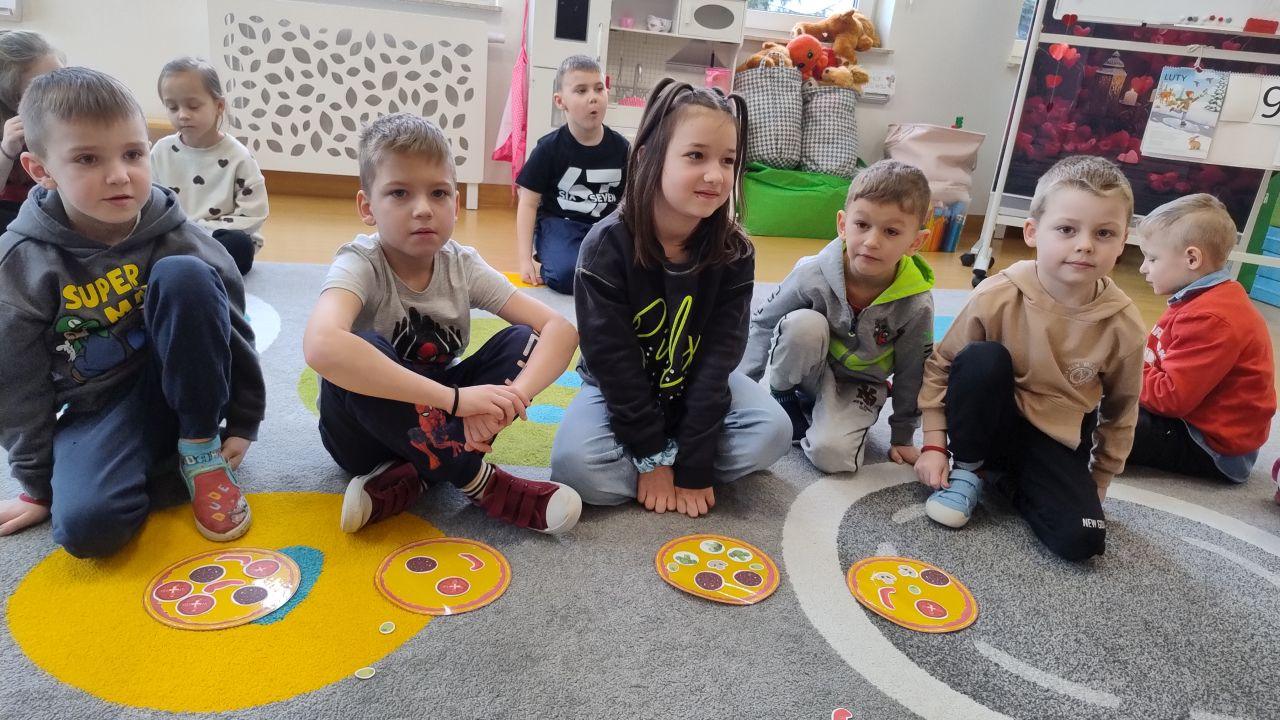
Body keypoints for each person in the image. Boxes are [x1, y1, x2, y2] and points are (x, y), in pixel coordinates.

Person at [0, 68, 265, 555]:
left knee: (185, 274)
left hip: (192, 387)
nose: (120, 175)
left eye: (133, 154)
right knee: (88, 530)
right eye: (87, 159)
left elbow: (233, 327)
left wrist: (243, 421)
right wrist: (38, 483)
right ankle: (157, 458)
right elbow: (16, 384)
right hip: (96, 409)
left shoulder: (179, 234)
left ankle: (197, 449)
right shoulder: (20, 263)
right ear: (41, 170)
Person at [303, 113, 582, 535]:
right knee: (360, 347)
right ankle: (481, 482)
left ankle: (415, 477)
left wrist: (511, 399)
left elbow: (561, 330)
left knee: (524, 338)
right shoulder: (360, 262)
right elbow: (321, 344)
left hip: (440, 420)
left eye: (438, 193)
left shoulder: (461, 265)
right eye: (399, 193)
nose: (423, 209)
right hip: (362, 436)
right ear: (367, 207)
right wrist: (454, 401)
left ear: (455, 202)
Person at [551, 79, 791, 518]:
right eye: (696, 156)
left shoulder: (736, 251)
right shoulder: (605, 247)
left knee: (774, 432)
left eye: (728, 160)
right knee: (575, 467)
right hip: (619, 391)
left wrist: (695, 464)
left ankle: (676, 455)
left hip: (697, 387)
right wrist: (651, 458)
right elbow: (613, 364)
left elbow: (719, 362)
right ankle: (659, 457)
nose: (716, 175)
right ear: (648, 157)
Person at [914, 156, 1145, 561]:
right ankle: (970, 469)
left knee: (1082, 540)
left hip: (1055, 437)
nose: (1085, 244)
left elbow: (1121, 410)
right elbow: (942, 366)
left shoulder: (1124, 324)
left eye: (1104, 233)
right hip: (987, 422)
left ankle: (1004, 479)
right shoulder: (996, 294)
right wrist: (934, 444)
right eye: (1067, 229)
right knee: (983, 359)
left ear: (1123, 240)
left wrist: (1098, 481)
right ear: (1033, 232)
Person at [741, 159, 934, 474]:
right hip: (807, 370)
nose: (872, 241)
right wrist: (741, 389)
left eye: (891, 231)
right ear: (843, 225)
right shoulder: (812, 272)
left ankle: (827, 415)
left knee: (832, 457)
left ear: (915, 242)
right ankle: (785, 396)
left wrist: (902, 434)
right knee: (803, 325)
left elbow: (913, 371)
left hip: (859, 385)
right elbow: (763, 322)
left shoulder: (916, 304)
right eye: (862, 225)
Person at [1129, 193, 1275, 483]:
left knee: (1096, 422)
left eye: (1152, 258)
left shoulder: (1211, 318)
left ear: (1192, 258)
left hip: (1210, 447)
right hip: (1191, 420)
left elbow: (1170, 397)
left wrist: (1120, 370)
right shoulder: (1201, 299)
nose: (1143, 267)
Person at [514, 54, 628, 293]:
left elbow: (631, 201)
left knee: (629, 275)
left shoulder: (622, 148)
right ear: (560, 101)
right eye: (581, 90)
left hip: (605, 228)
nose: (593, 97)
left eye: (599, 89)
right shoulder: (548, 148)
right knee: (565, 275)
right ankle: (555, 254)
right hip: (561, 224)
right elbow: (528, 203)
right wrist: (525, 260)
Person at [152, 56, 268, 275]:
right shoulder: (161, 151)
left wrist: (202, 231)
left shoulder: (239, 156)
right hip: (175, 236)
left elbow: (254, 213)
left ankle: (189, 266)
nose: (182, 115)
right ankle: (188, 266)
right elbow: (151, 201)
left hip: (219, 238)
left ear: (219, 106)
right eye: (172, 107)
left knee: (239, 246)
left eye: (193, 106)